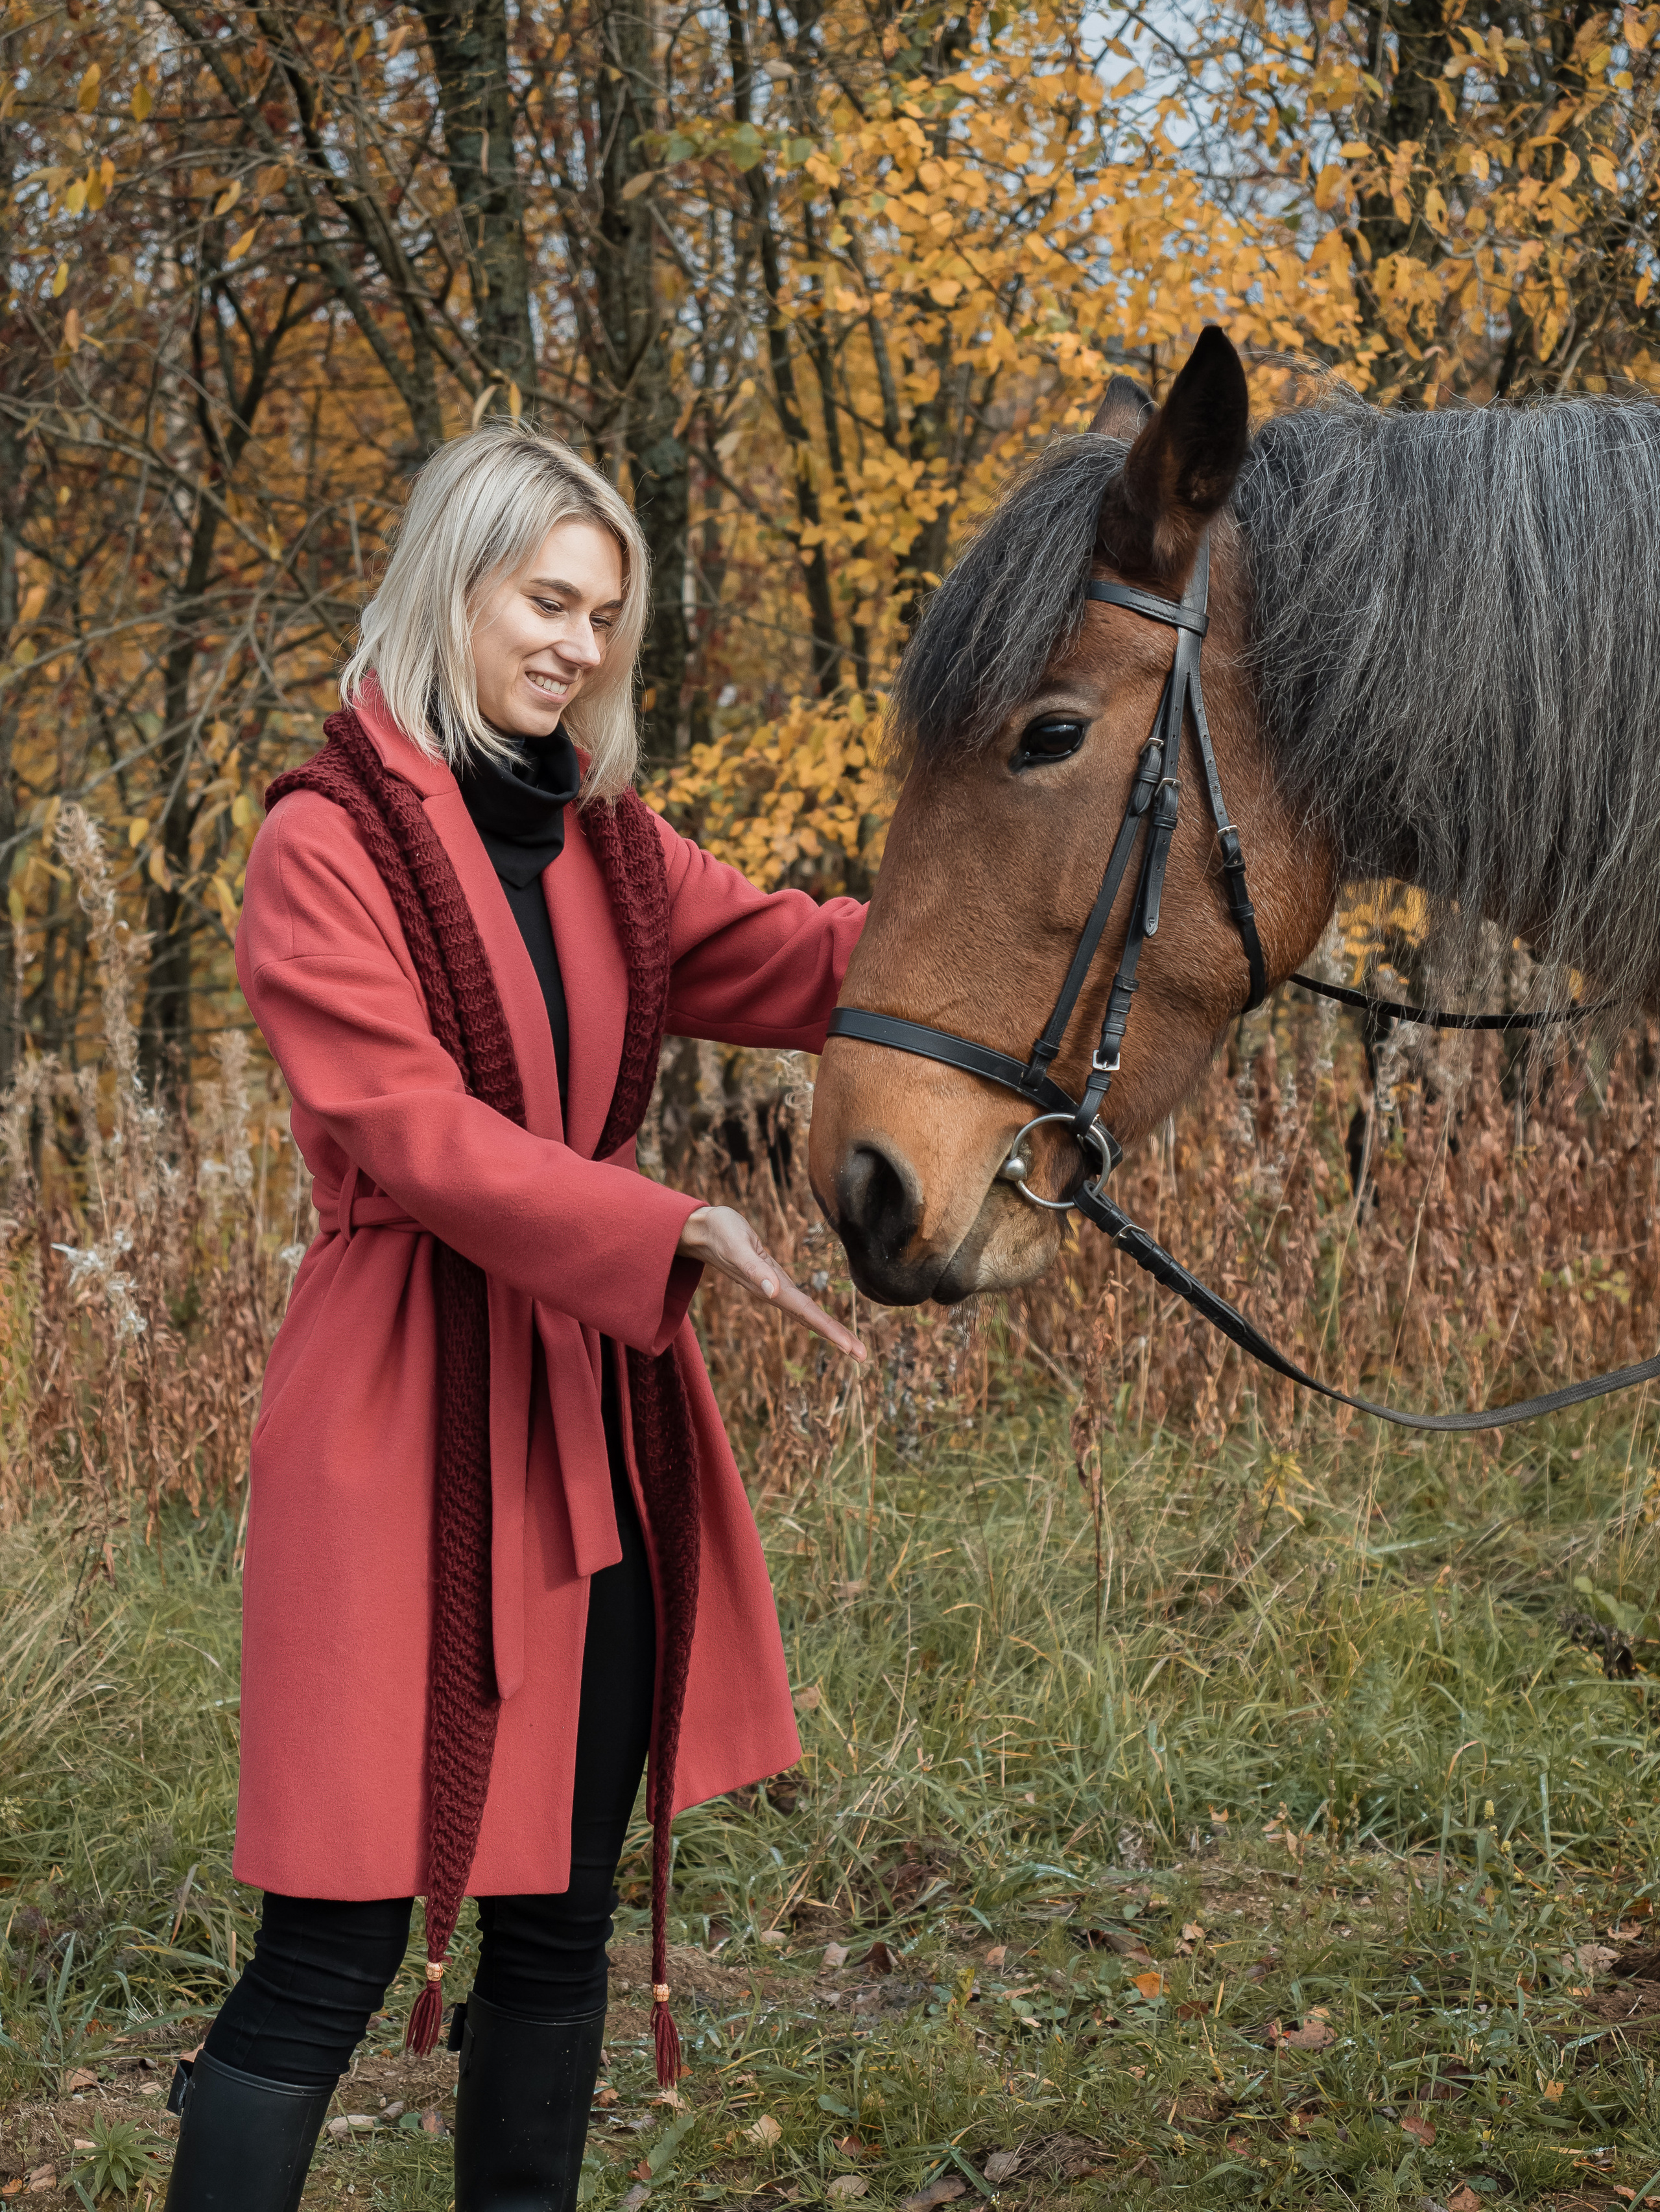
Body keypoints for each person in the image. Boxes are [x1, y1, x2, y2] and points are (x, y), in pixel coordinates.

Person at [164, 419, 866, 2212]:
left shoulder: (612, 846)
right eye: (546, 598)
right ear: (451, 587)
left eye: (605, 616)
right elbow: (417, 1134)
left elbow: (801, 955)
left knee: (554, 1926)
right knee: (327, 1944)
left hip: (591, 1422)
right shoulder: (322, 842)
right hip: (401, 1424)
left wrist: (1036, 927)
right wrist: (676, 1216)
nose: (578, 643)